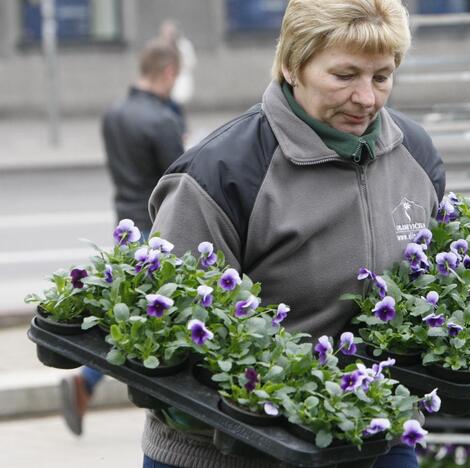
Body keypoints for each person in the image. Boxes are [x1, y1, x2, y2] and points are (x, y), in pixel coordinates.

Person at [142, 1, 441, 466]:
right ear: (291, 65)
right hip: (235, 446)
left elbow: (435, 284)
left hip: (371, 433)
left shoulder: (414, 154)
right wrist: (188, 398)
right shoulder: (222, 172)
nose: (367, 99)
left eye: (381, 77)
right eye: (344, 76)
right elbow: (168, 331)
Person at [59, 38, 184, 437]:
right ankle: (90, 383)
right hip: (156, 229)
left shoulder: (113, 114)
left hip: (124, 225)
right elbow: (179, 179)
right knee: (146, 319)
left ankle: (86, 384)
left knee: (129, 311)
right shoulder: (163, 121)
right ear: (168, 72)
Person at [159, 19, 197, 133]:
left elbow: (191, 62)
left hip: (179, 81)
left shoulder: (183, 45)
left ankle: (182, 130)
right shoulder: (161, 46)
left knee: (177, 107)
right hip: (165, 83)